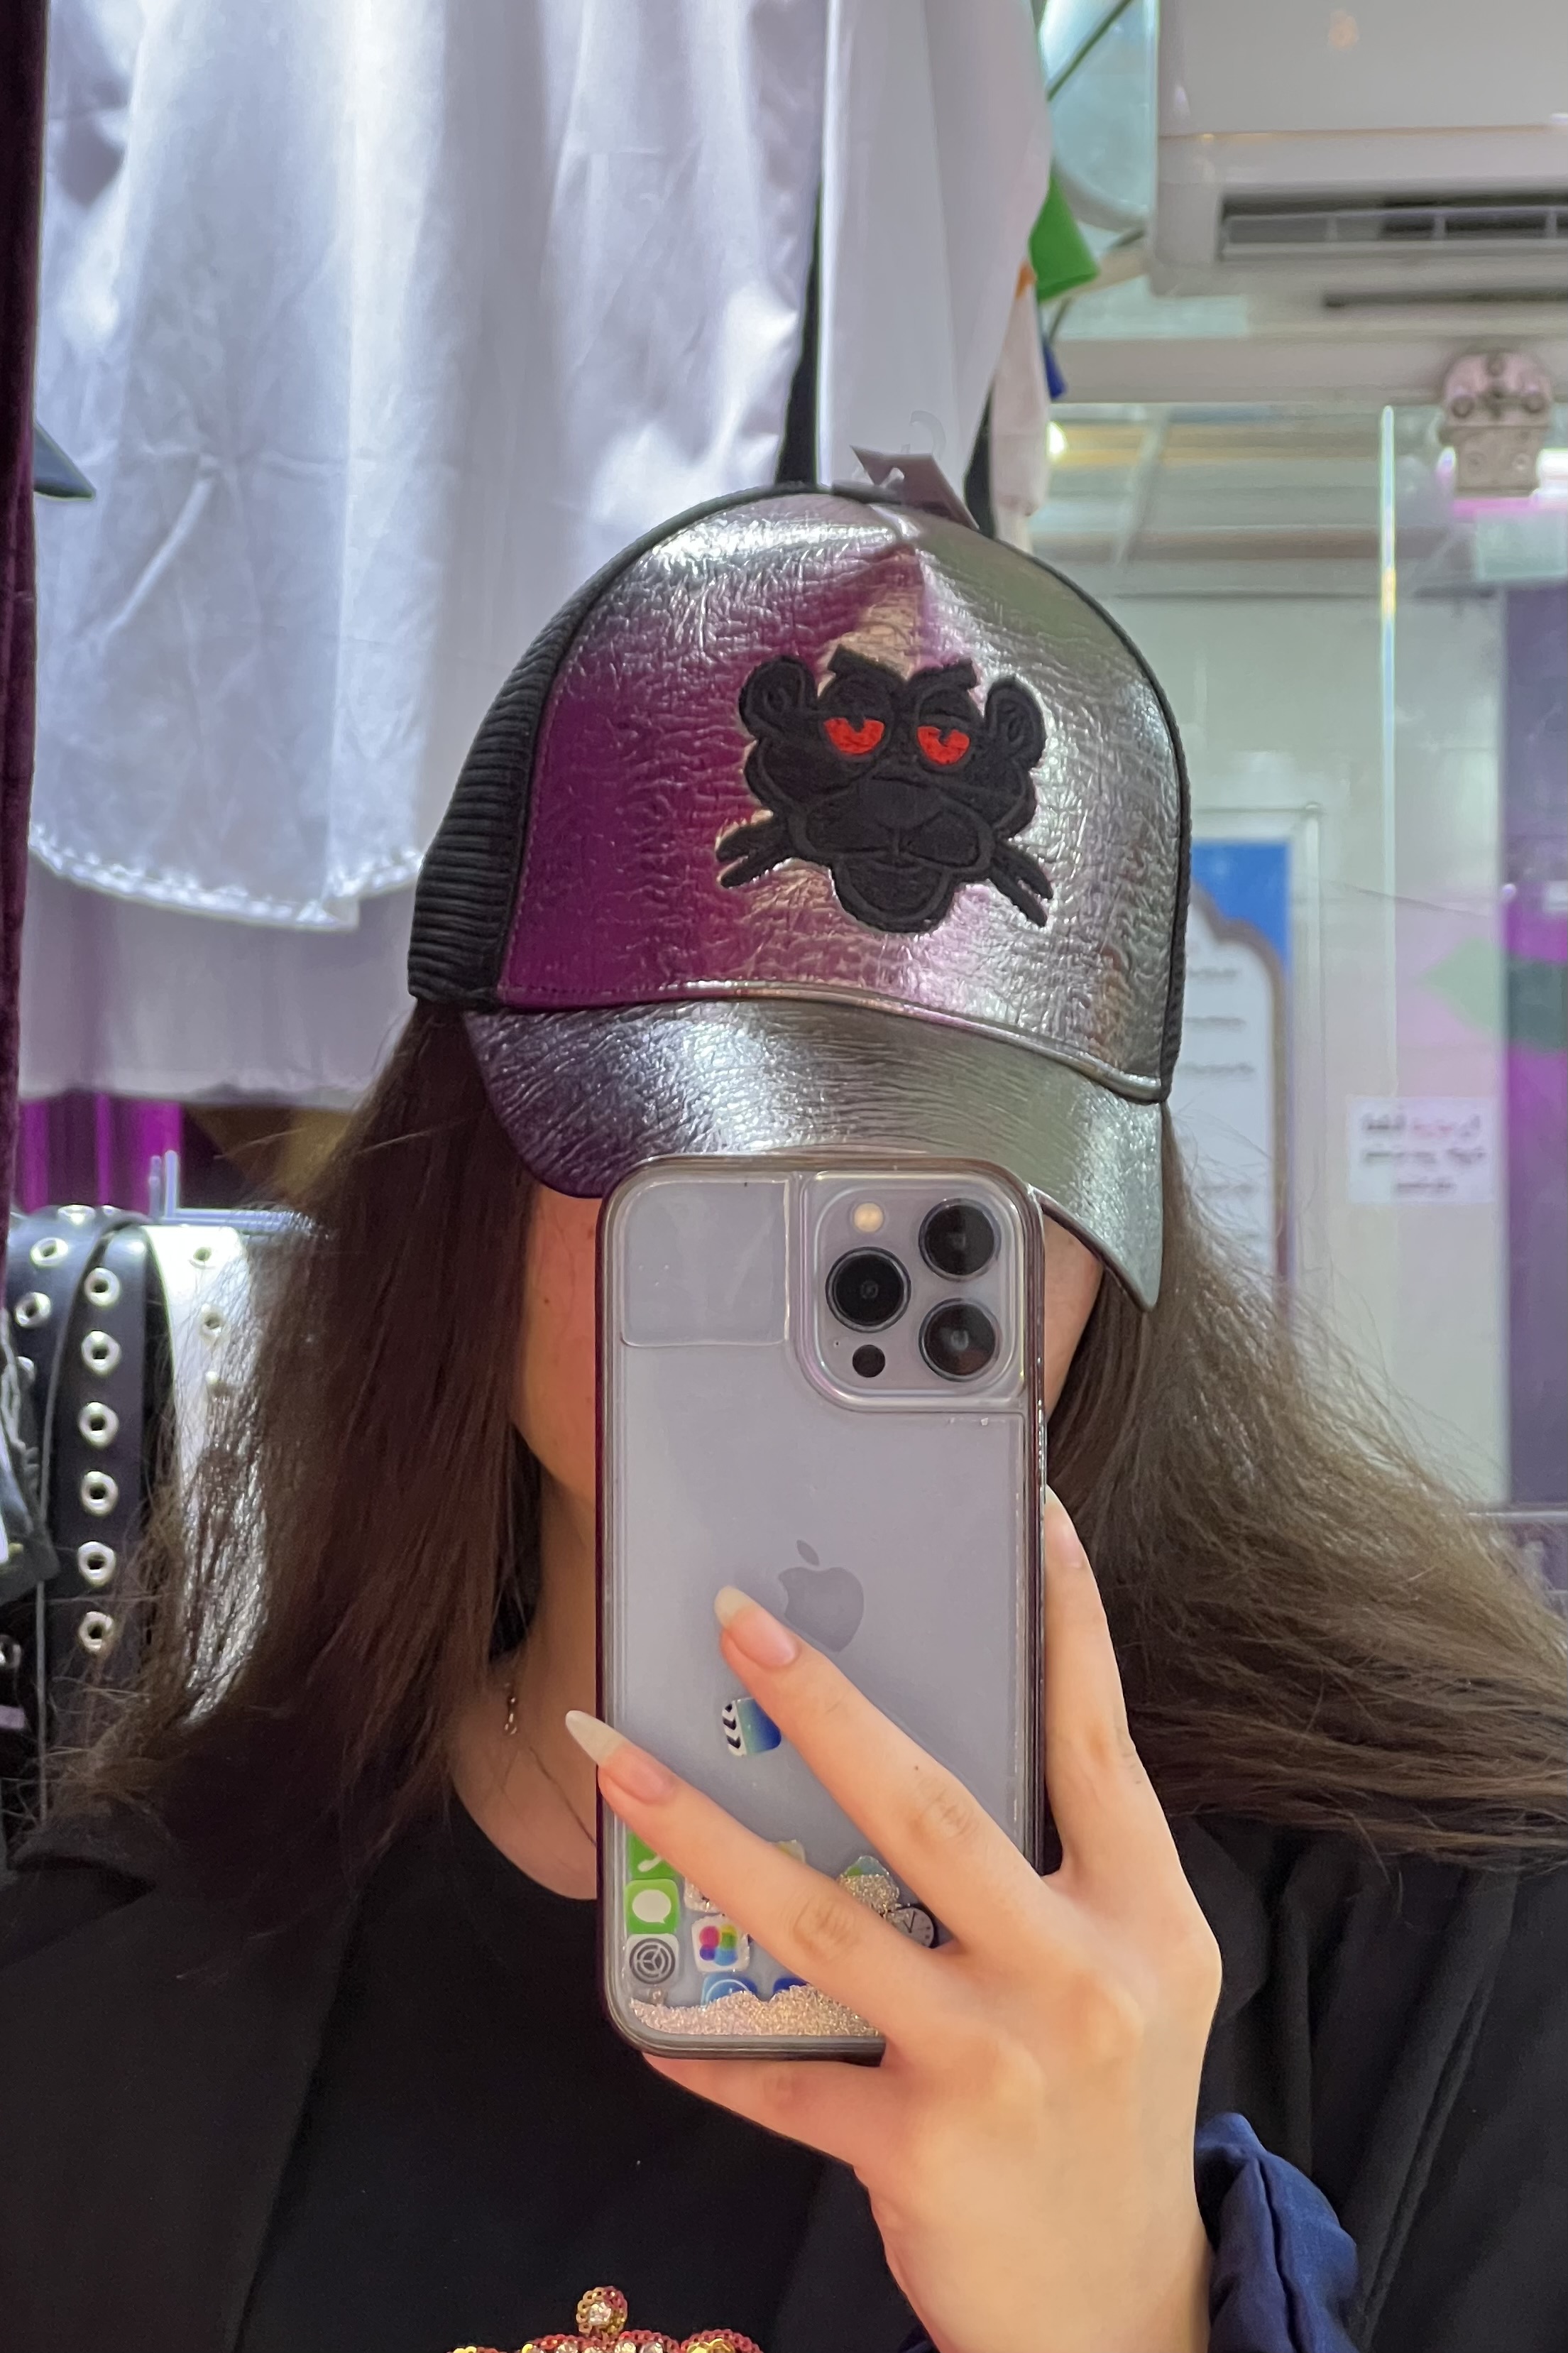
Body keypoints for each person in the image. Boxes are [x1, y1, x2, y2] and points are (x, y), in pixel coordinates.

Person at [1, 486, 1563, 2353]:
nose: (815, 1260)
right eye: (695, 1159)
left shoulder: (1465, 1941)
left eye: (933, 1220)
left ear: (1106, 1240)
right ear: (464, 1172)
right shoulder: (104, 2005)